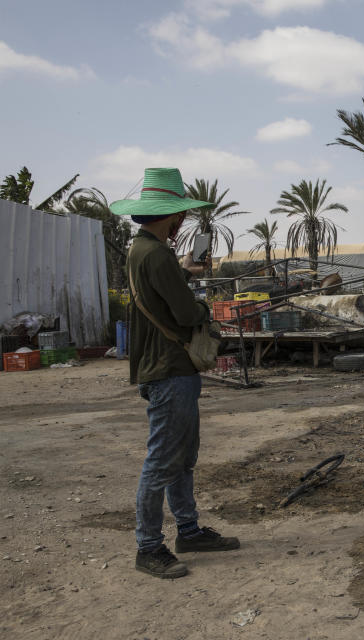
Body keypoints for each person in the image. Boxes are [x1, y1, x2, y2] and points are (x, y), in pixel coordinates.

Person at [111, 168, 239, 579]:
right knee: (165, 461)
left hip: (164, 367)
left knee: (181, 458)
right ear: (173, 216)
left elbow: (160, 289)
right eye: (180, 214)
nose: (182, 221)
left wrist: (183, 272)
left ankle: (189, 530)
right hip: (170, 369)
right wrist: (206, 310)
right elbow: (185, 313)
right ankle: (148, 547)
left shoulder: (142, 250)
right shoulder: (158, 254)